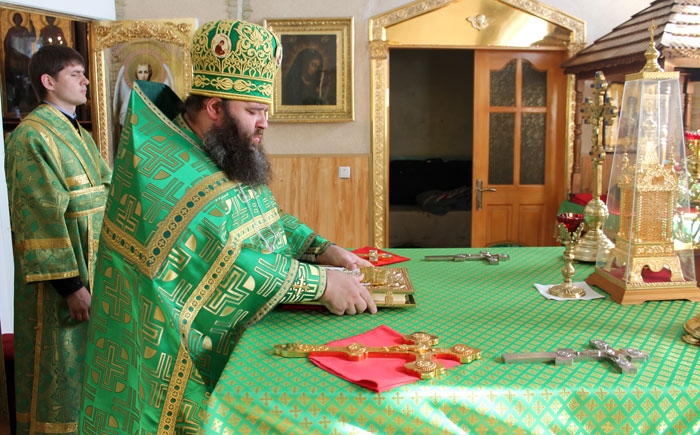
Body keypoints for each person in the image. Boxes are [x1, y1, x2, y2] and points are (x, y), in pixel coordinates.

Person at [79, 20, 375, 434]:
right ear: (215, 108)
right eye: (253, 111)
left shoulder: (214, 147)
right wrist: (320, 283)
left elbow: (256, 218)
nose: (264, 123)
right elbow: (222, 257)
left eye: (265, 111)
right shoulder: (165, 165)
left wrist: (318, 246)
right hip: (158, 361)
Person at [4, 44, 112, 435]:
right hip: (61, 283)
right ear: (48, 82)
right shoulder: (31, 137)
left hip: (94, 266)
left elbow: (108, 189)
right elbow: (38, 219)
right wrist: (71, 286)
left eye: (84, 74)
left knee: (87, 371)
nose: (86, 81)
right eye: (75, 74)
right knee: (58, 370)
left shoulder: (78, 133)